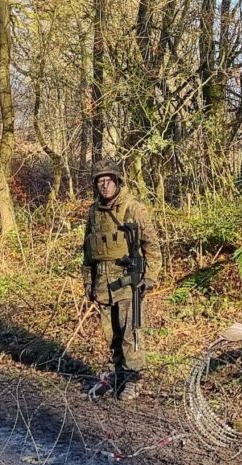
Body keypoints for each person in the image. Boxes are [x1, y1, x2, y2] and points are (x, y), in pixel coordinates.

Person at [82, 160, 162, 400]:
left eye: (109, 180)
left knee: (130, 333)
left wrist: (149, 278)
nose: (105, 186)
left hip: (128, 282)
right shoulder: (94, 212)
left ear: (118, 181)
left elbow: (153, 248)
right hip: (103, 285)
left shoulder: (134, 208)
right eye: (100, 181)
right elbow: (88, 251)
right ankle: (117, 374)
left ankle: (133, 379)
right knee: (111, 335)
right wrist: (88, 282)